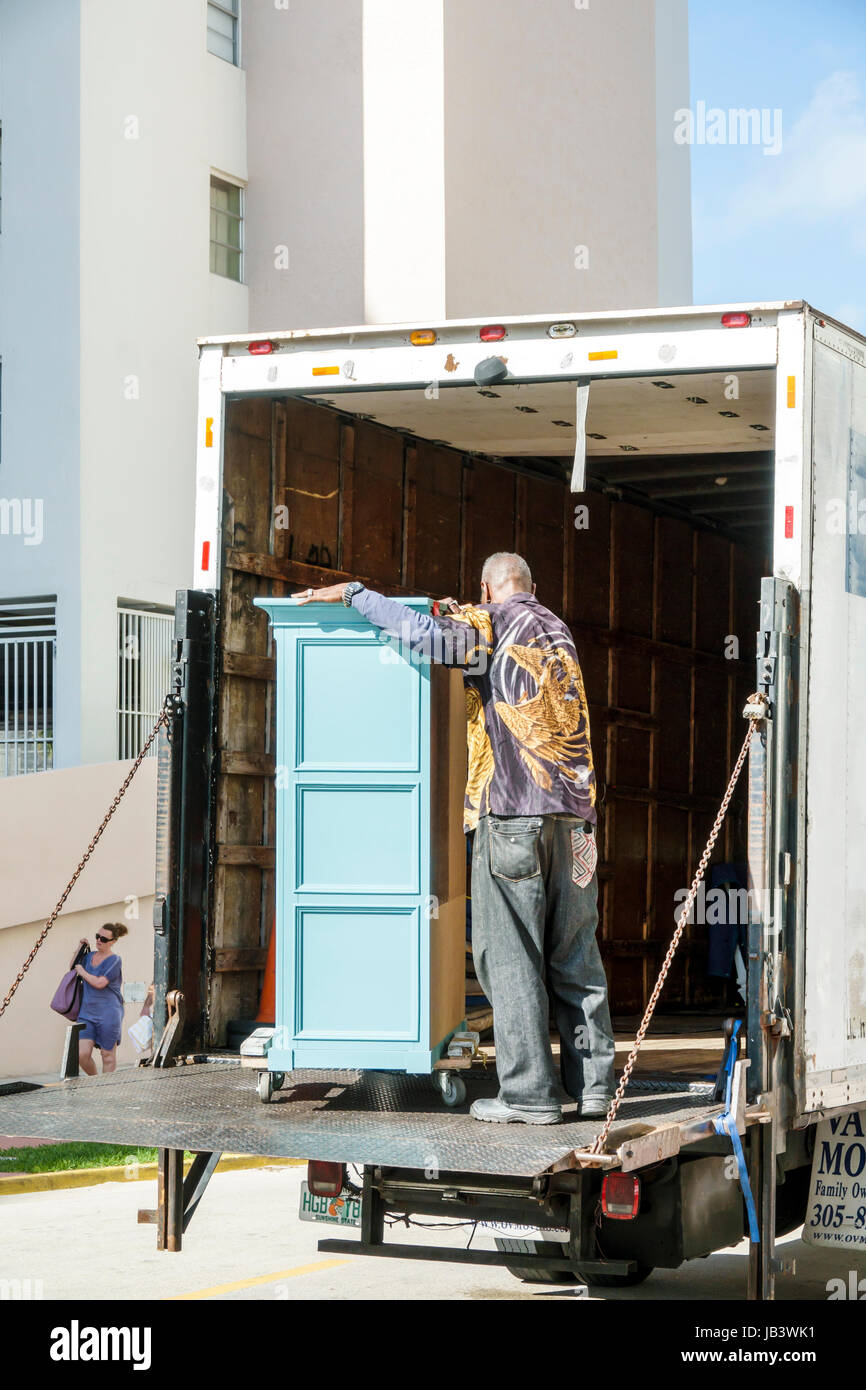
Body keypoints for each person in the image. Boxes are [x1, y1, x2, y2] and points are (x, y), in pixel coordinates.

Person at [295, 552, 616, 1125]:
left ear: (488, 587)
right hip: (577, 822)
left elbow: (432, 640)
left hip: (514, 815)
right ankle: (593, 1089)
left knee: (511, 956)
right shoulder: (557, 630)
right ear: (532, 585)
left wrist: (356, 595)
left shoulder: (491, 622)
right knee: (576, 954)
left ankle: (529, 1096)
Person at [72, 924, 128, 1075]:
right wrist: (79, 948)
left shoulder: (115, 960)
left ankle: (105, 1090)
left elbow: (100, 983)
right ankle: (95, 1081)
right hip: (87, 1013)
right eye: (97, 936)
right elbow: (73, 966)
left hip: (109, 1014)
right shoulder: (89, 956)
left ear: (113, 941)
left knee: (107, 1056)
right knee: (81, 1055)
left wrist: (82, 972)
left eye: (103, 939)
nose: (99, 941)